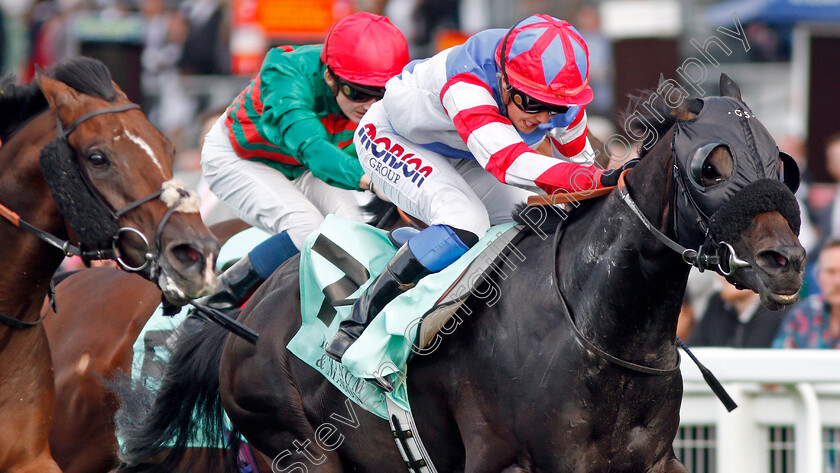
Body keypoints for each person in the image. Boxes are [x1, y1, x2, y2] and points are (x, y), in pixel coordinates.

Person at [325, 14, 637, 361]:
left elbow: (583, 171)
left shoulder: (558, 98)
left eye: (556, 108)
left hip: (465, 153)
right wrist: (597, 179)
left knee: (530, 222)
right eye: (532, 103)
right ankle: (359, 321)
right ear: (504, 80)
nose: (544, 119)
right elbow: (508, 162)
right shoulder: (467, 82)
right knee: (466, 220)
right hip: (391, 138)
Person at [198, 12, 409, 311]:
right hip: (240, 158)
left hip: (302, 166)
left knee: (353, 229)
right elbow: (312, 148)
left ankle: (337, 315)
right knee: (304, 226)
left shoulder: (370, 96)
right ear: (329, 78)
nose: (370, 106)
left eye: (382, 94)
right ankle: (212, 306)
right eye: (359, 92)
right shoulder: (284, 71)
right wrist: (373, 181)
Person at [773, 238, 840, 348]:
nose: (837, 282)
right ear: (818, 276)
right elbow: (780, 359)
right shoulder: (803, 313)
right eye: (830, 272)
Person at [688, 275, 786, 348]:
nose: (725, 274)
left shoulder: (783, 312)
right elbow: (694, 349)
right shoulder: (717, 304)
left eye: (737, 266)